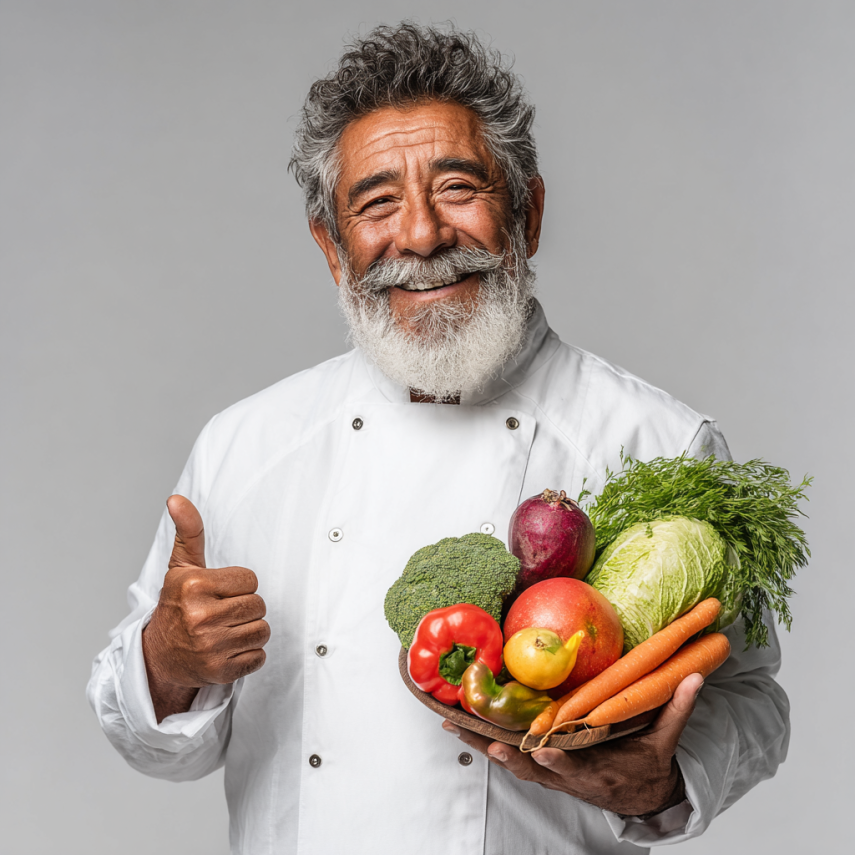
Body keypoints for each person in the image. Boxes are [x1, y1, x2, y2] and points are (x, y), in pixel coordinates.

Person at [88, 23, 789, 854]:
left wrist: (662, 783)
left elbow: (749, 699)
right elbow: (153, 743)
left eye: (457, 187)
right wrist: (166, 663)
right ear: (330, 247)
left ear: (527, 212)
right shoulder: (247, 443)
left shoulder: (656, 440)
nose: (420, 236)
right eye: (376, 202)